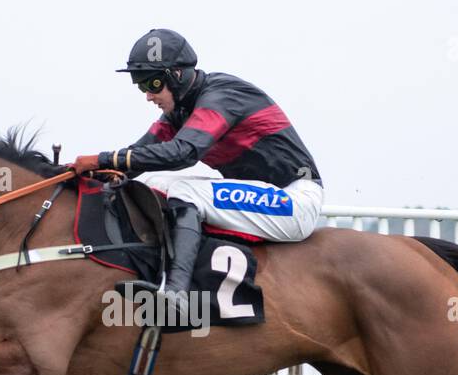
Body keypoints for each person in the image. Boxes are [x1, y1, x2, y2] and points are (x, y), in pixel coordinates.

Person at [71, 28, 324, 323]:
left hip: (294, 200)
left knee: (185, 190)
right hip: (262, 196)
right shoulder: (178, 114)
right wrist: (78, 176)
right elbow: (134, 159)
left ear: (177, 75)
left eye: (152, 83)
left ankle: (177, 293)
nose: (149, 95)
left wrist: (103, 158)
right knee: (149, 183)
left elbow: (183, 153)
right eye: (140, 86)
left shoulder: (222, 95)